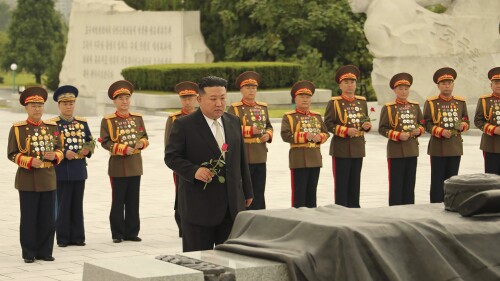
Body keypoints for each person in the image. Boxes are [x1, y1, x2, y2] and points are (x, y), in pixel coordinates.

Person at [164, 76, 253, 252]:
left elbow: (241, 159)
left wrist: (247, 191)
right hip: (198, 207)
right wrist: (194, 171)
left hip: (231, 206)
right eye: (213, 99)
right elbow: (171, 157)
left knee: (229, 260)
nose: (219, 103)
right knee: (198, 262)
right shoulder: (184, 125)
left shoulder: (233, 121)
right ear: (200, 99)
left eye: (222, 98)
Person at [7, 87, 64, 263]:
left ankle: (45, 251)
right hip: (27, 179)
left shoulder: (52, 127)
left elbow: (60, 149)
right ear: (26, 107)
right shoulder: (18, 129)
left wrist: (56, 156)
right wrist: (29, 161)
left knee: (48, 218)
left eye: (39, 105)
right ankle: (29, 252)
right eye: (33, 105)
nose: (37, 109)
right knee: (29, 218)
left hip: (48, 178)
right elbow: (12, 153)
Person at [100, 80, 149, 243]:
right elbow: (105, 142)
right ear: (114, 101)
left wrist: (142, 144)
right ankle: (117, 233)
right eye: (121, 98)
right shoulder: (108, 120)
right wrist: (121, 149)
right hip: (118, 167)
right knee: (118, 200)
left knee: (133, 201)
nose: (125, 101)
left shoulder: (137, 118)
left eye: (127, 98)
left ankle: (132, 232)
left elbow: (145, 137)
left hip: (135, 165)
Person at [324, 65, 372, 208]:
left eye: (352, 82)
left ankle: (355, 208)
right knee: (341, 183)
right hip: (341, 148)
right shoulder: (335, 102)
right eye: (346, 82)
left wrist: (367, 126)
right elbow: (327, 124)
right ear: (340, 85)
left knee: (355, 181)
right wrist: (344, 131)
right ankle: (341, 209)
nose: (350, 85)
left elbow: (365, 119)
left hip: (358, 147)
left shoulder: (361, 101)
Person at [51, 85, 93, 247]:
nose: (68, 107)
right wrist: (64, 151)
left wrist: (88, 149)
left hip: (79, 169)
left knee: (77, 203)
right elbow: (51, 145)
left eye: (71, 103)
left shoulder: (82, 123)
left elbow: (90, 140)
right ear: (59, 105)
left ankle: (77, 236)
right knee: (63, 204)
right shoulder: (53, 124)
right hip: (61, 170)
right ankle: (62, 237)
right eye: (65, 104)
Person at [227, 71, 273, 210]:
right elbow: (230, 130)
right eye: (248, 87)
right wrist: (249, 131)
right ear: (241, 90)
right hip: (243, 156)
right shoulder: (235, 109)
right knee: (244, 192)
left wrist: (268, 135)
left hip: (260, 154)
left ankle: (260, 219)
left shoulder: (262, 107)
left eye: (254, 87)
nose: (251, 90)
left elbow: (269, 126)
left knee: (259, 191)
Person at [423, 67, 469, 203]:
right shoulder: (431, 103)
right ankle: (436, 205)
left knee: (453, 179)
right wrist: (440, 131)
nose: (447, 86)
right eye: (443, 83)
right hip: (438, 146)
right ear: (438, 86)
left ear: (453, 85)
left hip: (455, 146)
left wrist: (463, 126)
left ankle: (452, 203)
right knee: (437, 179)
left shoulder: (460, 102)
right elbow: (426, 124)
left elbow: (466, 120)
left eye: (449, 83)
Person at [281, 81, 329, 208]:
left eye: (307, 97)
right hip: (299, 160)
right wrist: (303, 136)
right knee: (299, 195)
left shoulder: (317, 116)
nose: (305, 100)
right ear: (295, 99)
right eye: (301, 97)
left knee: (312, 195)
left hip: (315, 158)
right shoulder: (289, 117)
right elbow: (285, 135)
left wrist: (320, 137)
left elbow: (326, 133)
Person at [378, 73, 425, 205]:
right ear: (395, 90)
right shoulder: (389, 108)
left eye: (406, 89)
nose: (404, 92)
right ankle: (395, 210)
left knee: (410, 183)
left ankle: (409, 209)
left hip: (411, 149)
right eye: (400, 89)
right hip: (396, 150)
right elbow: (382, 128)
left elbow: (422, 124)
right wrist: (397, 135)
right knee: (396, 184)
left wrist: (419, 130)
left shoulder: (415, 106)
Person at [164, 81, 199, 237]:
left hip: (199, 163)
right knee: (181, 194)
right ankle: (182, 225)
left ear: (196, 98)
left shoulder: (201, 117)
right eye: (184, 98)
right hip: (182, 164)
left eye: (190, 98)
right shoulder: (174, 119)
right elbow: (169, 144)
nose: (187, 101)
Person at [474, 67, 500, 175]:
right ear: (491, 85)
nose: (499, 85)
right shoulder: (485, 100)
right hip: (491, 145)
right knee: (491, 177)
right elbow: (478, 120)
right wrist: (493, 129)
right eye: (496, 82)